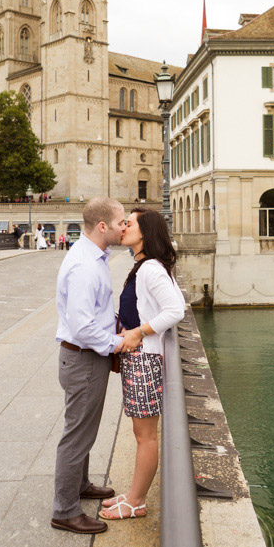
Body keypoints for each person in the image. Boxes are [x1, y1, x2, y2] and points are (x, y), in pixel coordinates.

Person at [51, 197, 133, 535]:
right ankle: (65, 510)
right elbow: (83, 325)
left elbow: (94, 314)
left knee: (83, 430)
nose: (124, 227)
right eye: (120, 223)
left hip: (83, 358)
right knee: (77, 434)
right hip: (84, 359)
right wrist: (118, 343)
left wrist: (113, 327)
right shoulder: (86, 265)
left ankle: (80, 484)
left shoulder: (91, 255)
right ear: (102, 227)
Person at [99, 208, 185, 520]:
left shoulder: (149, 268)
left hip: (145, 359)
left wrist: (138, 332)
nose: (122, 228)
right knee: (141, 434)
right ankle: (134, 495)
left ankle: (136, 501)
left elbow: (176, 309)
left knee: (145, 436)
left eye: (129, 224)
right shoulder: (143, 266)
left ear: (145, 233)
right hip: (140, 358)